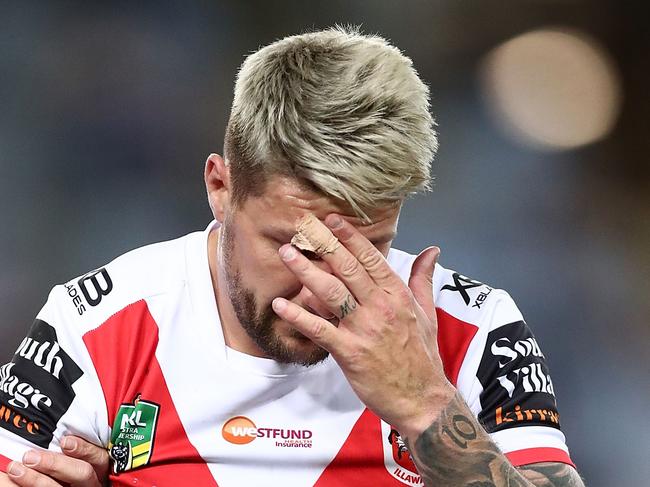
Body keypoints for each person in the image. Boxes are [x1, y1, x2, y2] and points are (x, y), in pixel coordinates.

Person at [0, 27, 584, 486]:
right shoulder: (98, 323)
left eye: (366, 247)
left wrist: (425, 403)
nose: (321, 289)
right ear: (220, 188)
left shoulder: (473, 327)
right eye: (293, 246)